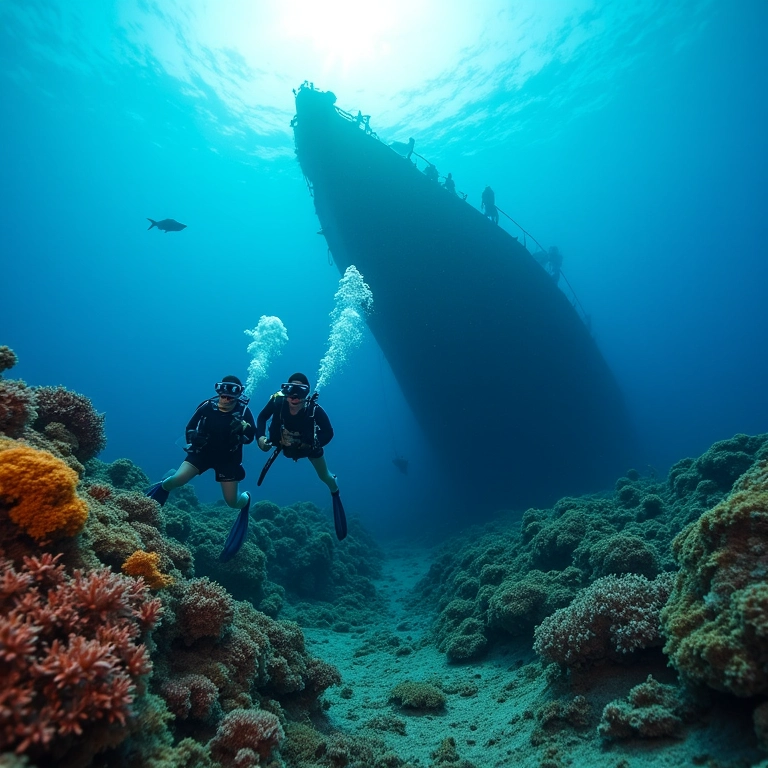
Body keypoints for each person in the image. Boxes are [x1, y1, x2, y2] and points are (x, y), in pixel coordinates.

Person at [145, 375, 256, 561]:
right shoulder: (206, 406)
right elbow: (189, 427)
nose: (226, 399)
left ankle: (246, 499)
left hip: (228, 460)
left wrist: (244, 429)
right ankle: (164, 484)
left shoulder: (244, 412)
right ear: (218, 391)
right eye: (223, 394)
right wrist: (193, 437)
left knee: (232, 503)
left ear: (238, 395)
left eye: (231, 395)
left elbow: (251, 436)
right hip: (202, 453)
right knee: (177, 480)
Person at [255, 373, 347, 540]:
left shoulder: (314, 410)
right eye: (291, 390)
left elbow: (328, 432)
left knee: (324, 476)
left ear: (307, 393)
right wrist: (260, 438)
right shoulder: (278, 403)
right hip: (284, 447)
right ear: (285, 391)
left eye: (301, 391)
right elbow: (262, 417)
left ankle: (334, 488)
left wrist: (314, 442)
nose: (295, 396)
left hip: (309, 449)